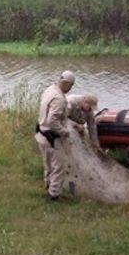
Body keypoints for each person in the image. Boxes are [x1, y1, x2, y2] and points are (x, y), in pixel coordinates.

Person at [35, 71, 75, 201]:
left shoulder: (49, 89)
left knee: (48, 165)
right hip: (52, 138)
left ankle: (48, 185)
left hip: (41, 133)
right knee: (58, 168)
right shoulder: (59, 98)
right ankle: (53, 195)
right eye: (71, 85)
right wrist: (64, 132)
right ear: (66, 84)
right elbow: (53, 120)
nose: (71, 89)